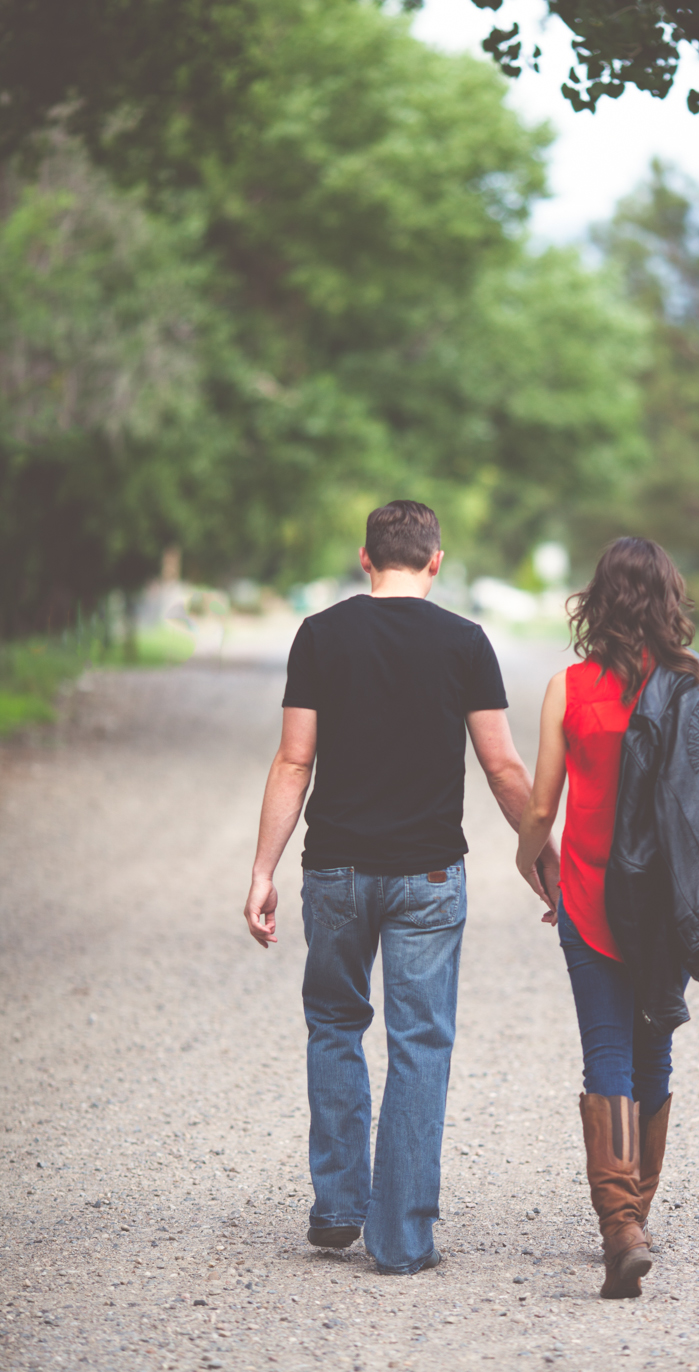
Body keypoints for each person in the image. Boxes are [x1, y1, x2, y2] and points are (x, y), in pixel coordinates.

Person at [243, 500, 558, 1275]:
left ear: (365, 559)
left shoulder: (320, 635)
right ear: (436, 562)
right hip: (427, 875)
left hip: (336, 872)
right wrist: (542, 856)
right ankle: (402, 1239)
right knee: (420, 1044)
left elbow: (293, 760)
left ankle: (341, 1205)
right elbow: (504, 767)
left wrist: (262, 870)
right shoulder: (464, 641)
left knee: (334, 1024)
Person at [516, 537, 699, 1300]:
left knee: (607, 1057)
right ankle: (634, 1221)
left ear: (597, 603)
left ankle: (621, 1226)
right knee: (653, 1047)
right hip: (666, 907)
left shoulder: (569, 688)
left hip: (591, 899)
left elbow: (539, 806)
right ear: (668, 602)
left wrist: (532, 859)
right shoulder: (698, 686)